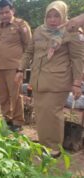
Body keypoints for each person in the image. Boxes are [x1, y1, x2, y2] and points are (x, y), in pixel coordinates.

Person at [15, 1, 84, 157]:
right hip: (38, 79)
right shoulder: (39, 31)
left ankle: (54, 147)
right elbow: (28, 52)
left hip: (58, 81)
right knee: (41, 112)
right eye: (49, 16)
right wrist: (20, 69)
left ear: (64, 16)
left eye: (57, 16)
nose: (52, 20)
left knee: (53, 112)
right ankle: (45, 141)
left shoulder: (72, 32)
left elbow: (78, 59)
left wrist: (77, 84)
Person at [0, 0, 32, 131]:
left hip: (15, 67)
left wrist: (23, 67)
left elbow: (29, 46)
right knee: (2, 95)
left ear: (12, 11)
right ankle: (7, 119)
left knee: (16, 95)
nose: (4, 15)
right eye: (1, 13)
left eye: (7, 12)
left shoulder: (21, 25)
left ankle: (18, 122)